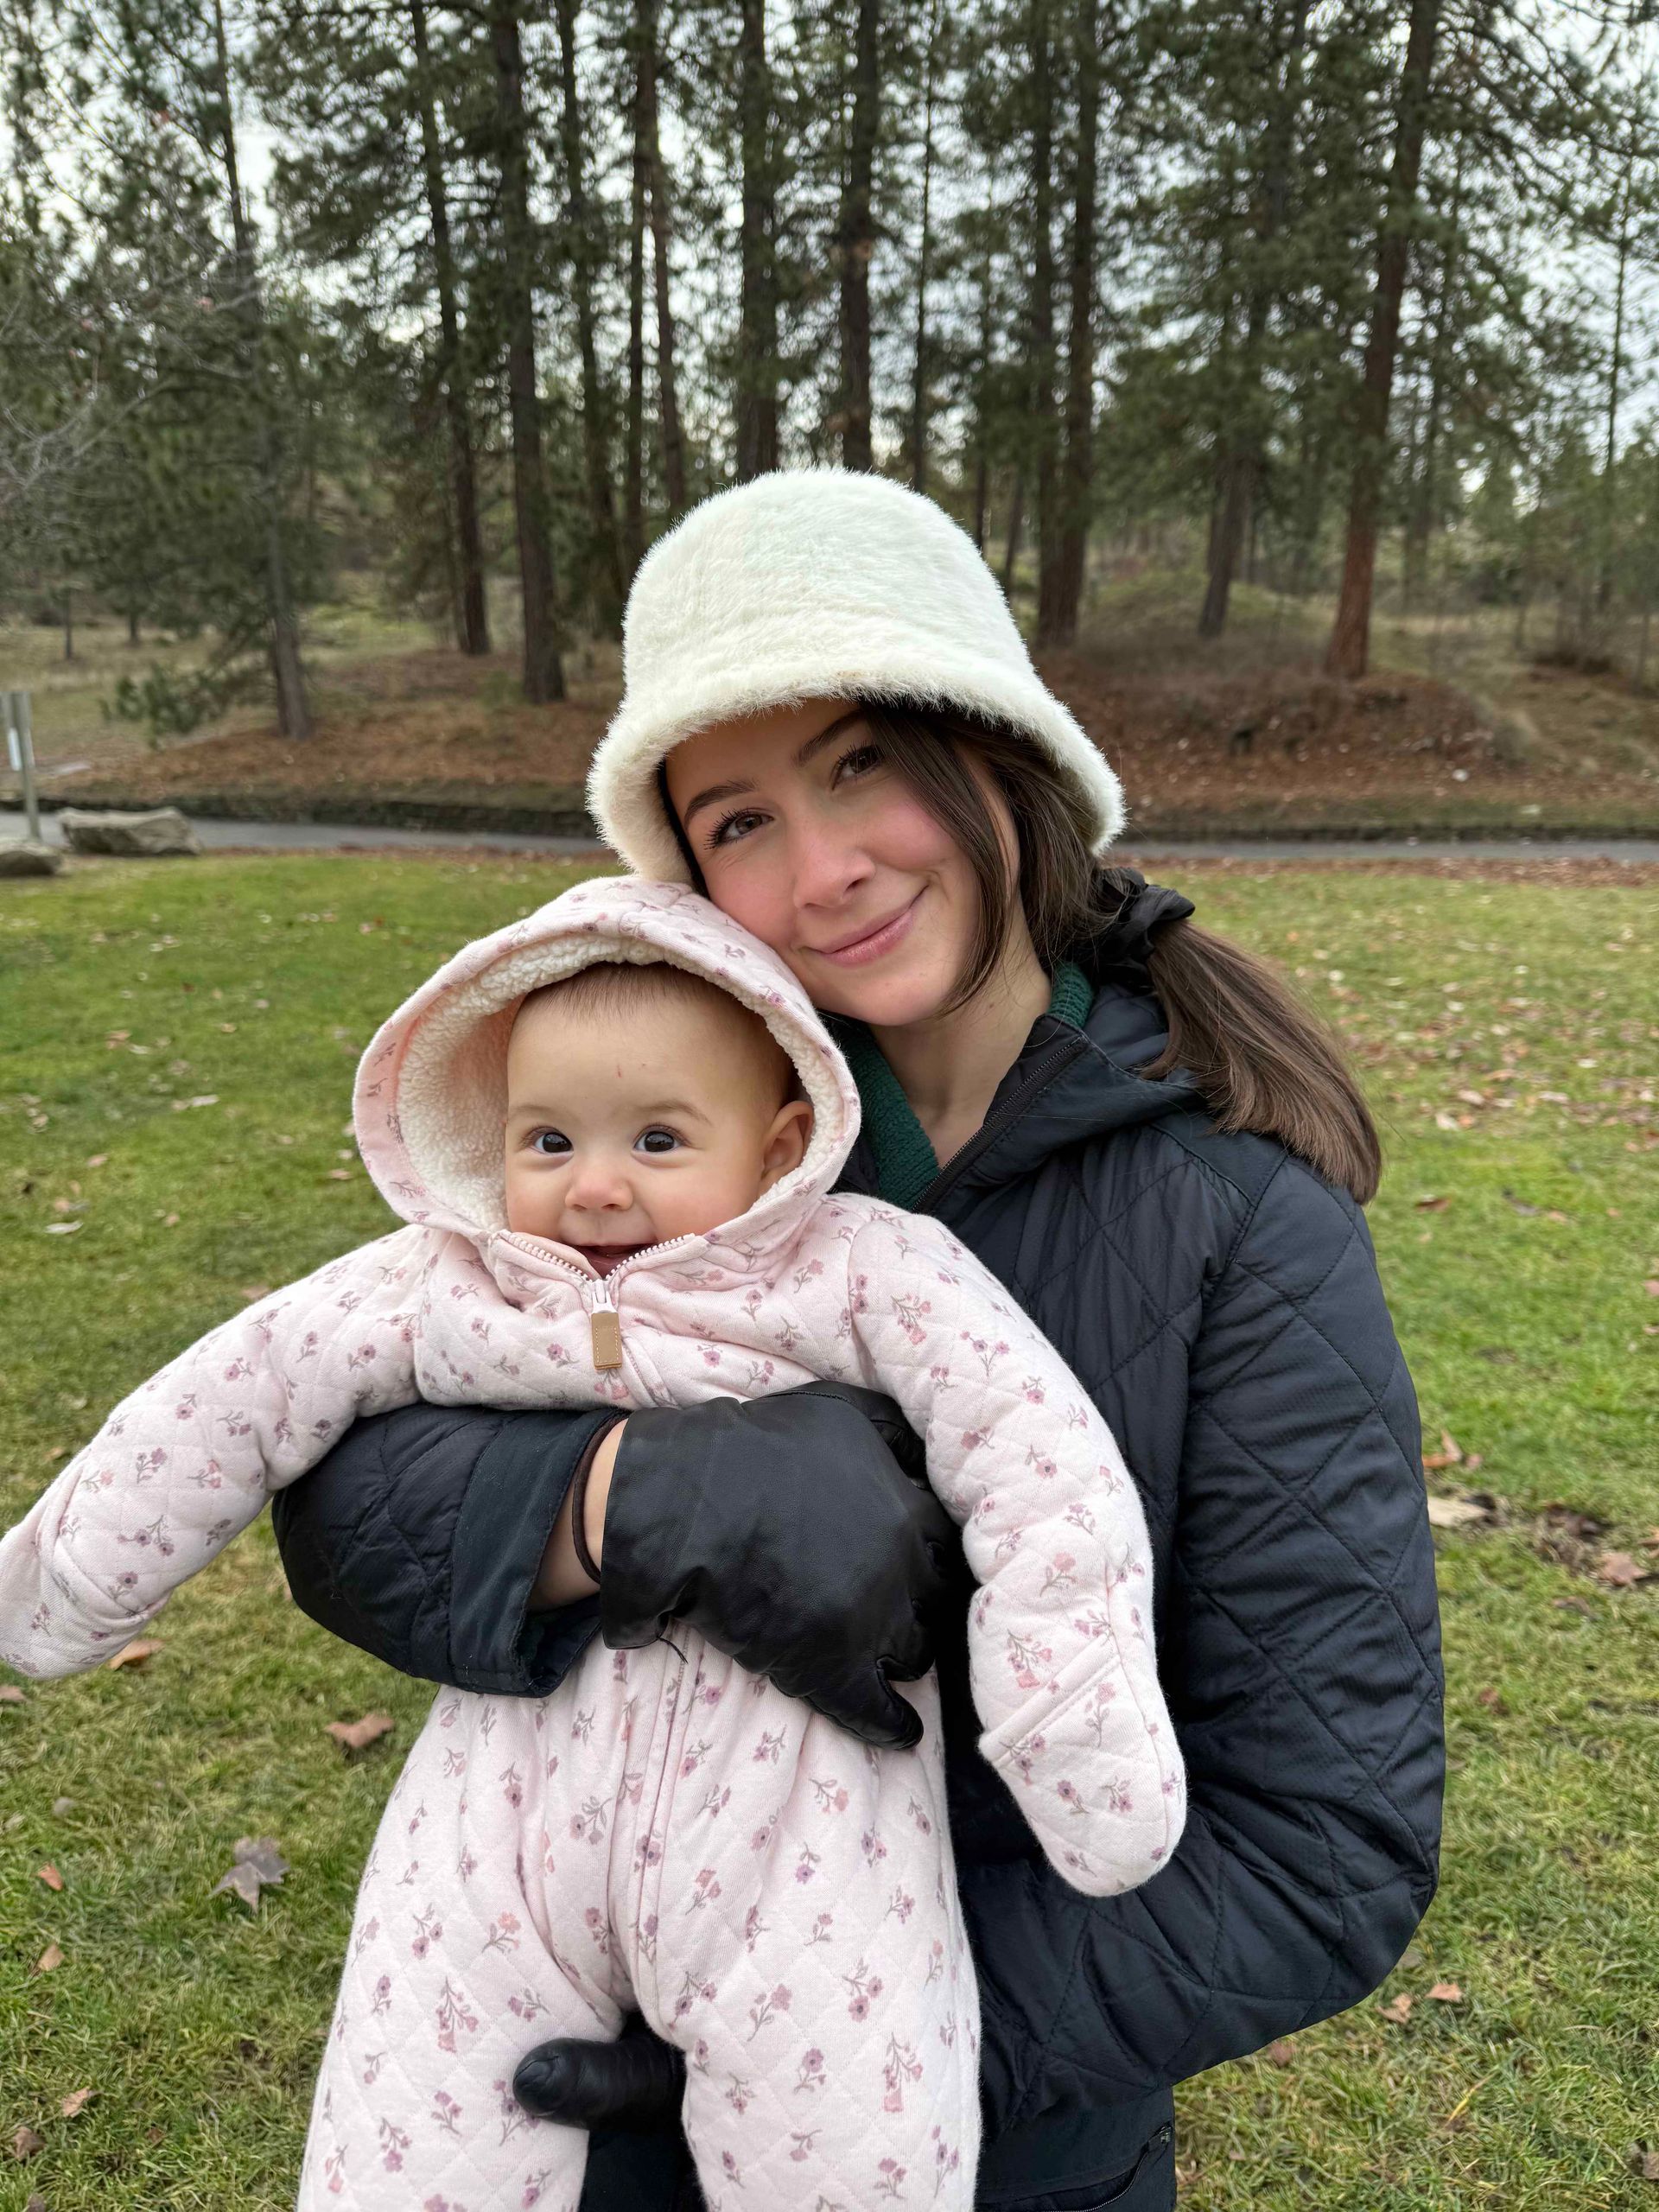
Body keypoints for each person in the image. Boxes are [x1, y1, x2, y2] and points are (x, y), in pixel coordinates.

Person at [274, 469, 1445, 2212]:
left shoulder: (1239, 1224)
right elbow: (342, 1472)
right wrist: (621, 1495)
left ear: (996, 754)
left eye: (860, 764)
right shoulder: (672, 1122)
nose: (823, 871)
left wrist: (840, 2044)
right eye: (738, 819)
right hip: (582, 2094)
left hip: (994, 2144)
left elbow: (1322, 1844)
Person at [0, 864, 1185, 2210]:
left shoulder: (858, 1268)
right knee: (412, 2109)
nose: (596, 1191)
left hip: (803, 1818)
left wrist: (1070, 1713)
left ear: (782, 1143)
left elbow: (1040, 1459)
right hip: (501, 1801)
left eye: (658, 1142)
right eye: (549, 1142)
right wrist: (62, 1586)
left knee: (854, 2128)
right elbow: (233, 1395)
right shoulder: (448, 1284)